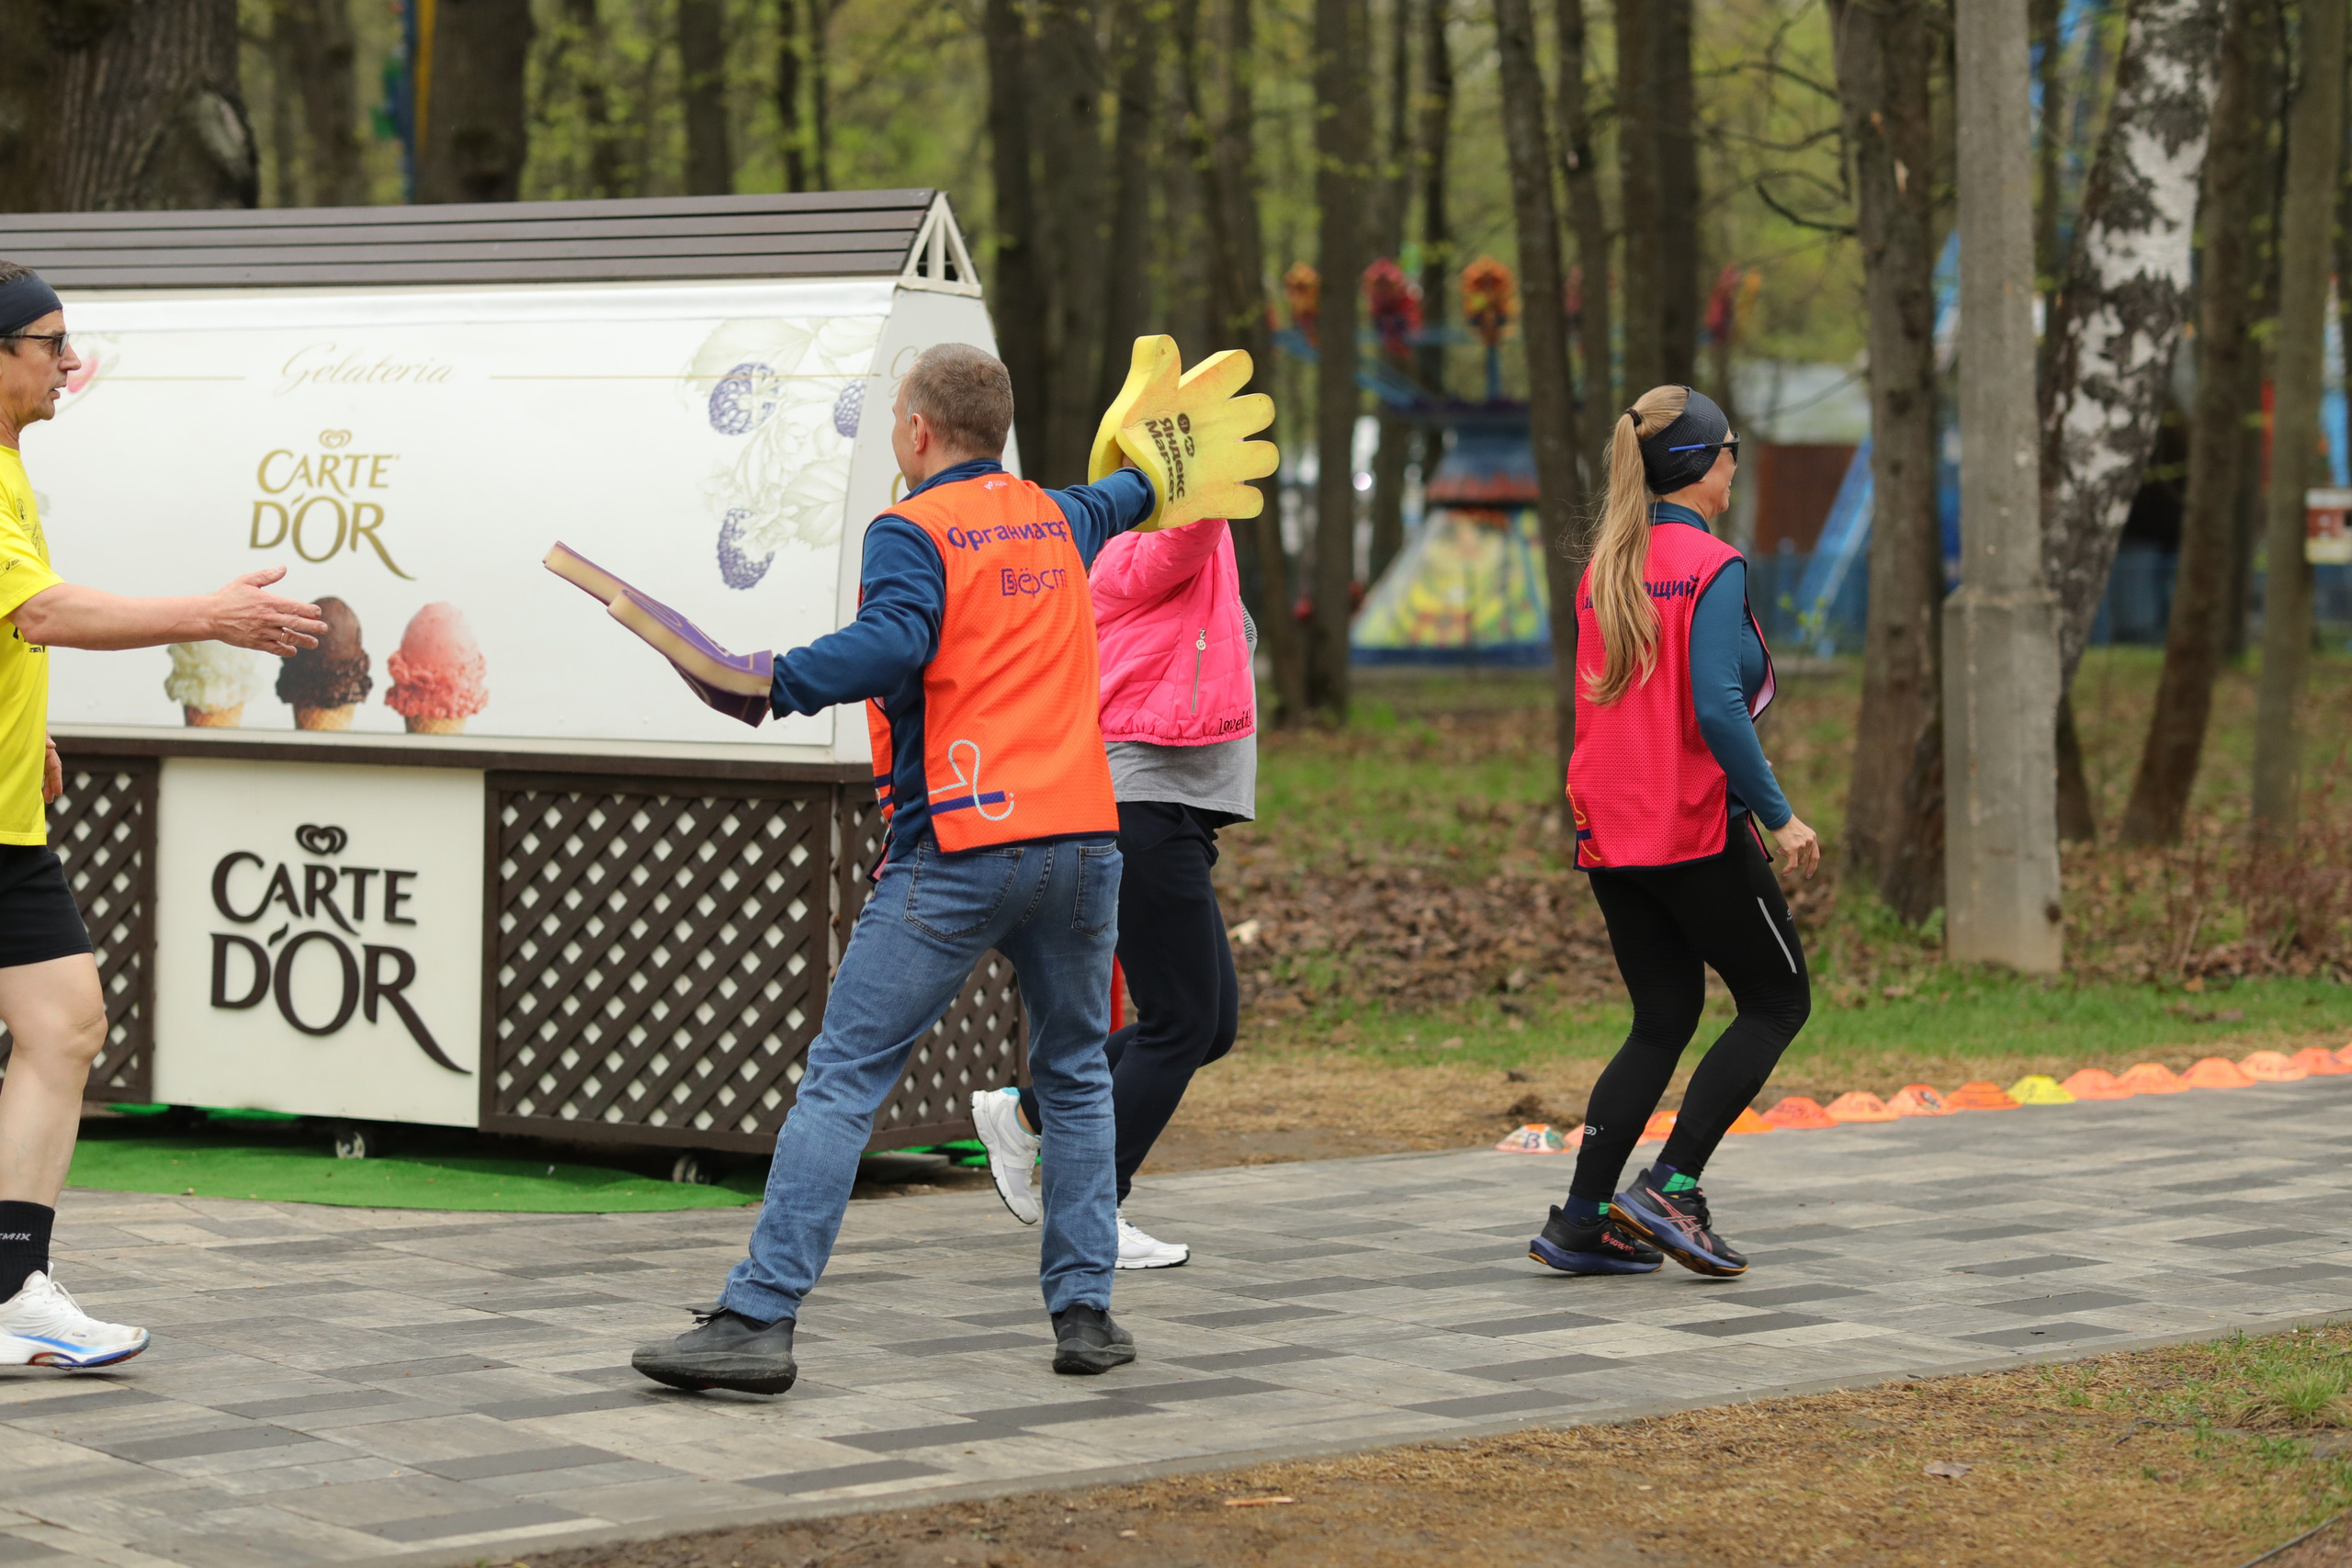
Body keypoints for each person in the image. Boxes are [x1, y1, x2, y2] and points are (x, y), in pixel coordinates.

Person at [632, 344, 1162, 1396]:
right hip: (1081, 843)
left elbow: (893, 644)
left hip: (960, 846)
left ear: (918, 431)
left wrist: (769, 681)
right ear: (999, 429)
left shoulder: (909, 529)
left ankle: (758, 1318)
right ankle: (1086, 1313)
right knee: (1073, 1073)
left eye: (894, 423)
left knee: (844, 1080)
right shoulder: (1059, 516)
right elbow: (1135, 489)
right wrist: (1159, 459)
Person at [0, 262, 326, 1370]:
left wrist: (24, 733)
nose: (69, 362)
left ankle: (10, 1294)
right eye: (49, 341)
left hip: (7, 821)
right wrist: (213, 613)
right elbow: (39, 610)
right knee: (60, 1026)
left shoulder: (9, 468)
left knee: (65, 1024)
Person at [1528, 384, 1819, 1282]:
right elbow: (1718, 707)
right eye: (1730, 446)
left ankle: (1581, 1222)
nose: (1738, 460)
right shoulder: (1711, 565)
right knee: (1776, 1000)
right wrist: (1779, 812)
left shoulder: (1605, 566)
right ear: (1698, 464)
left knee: (1662, 1017)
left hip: (1609, 831)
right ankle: (1671, 1187)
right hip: (1688, 825)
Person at [969, 512, 1255, 1269]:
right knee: (1180, 1021)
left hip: (1171, 812)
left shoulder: (1183, 560)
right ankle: (1094, 1208)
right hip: (1143, 805)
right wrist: (1196, 462)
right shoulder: (1128, 550)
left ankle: (1024, 1114)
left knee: (1208, 1022)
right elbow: (1188, 534)